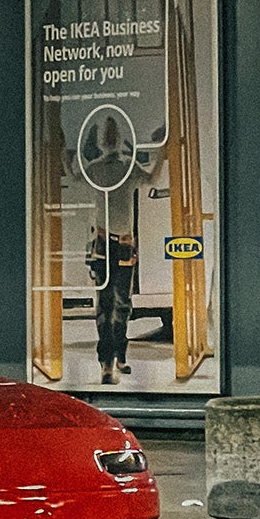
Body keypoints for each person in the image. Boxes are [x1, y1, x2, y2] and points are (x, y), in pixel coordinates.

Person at [79, 114, 166, 385]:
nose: (110, 139)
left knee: (109, 304)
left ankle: (113, 360)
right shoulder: (126, 168)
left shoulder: (98, 168)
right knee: (118, 304)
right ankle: (113, 360)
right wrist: (162, 154)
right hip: (119, 242)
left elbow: (72, 175)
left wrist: (60, 153)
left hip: (107, 243)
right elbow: (152, 179)